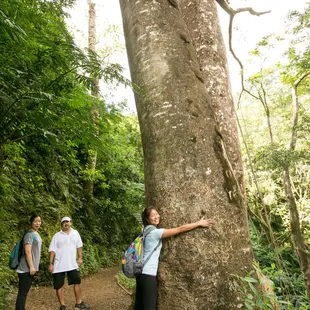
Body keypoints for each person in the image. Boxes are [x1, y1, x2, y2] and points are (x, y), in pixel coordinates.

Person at [134, 208, 214, 310]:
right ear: (147, 219)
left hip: (140, 274)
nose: (157, 216)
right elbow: (180, 229)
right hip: (148, 275)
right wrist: (199, 223)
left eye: (157, 214)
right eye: (153, 215)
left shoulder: (145, 231)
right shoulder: (155, 233)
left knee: (139, 306)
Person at [48, 216, 89, 310]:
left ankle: (78, 304)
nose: (66, 223)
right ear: (62, 224)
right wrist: (51, 263)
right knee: (58, 285)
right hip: (58, 265)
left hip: (72, 264)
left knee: (77, 282)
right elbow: (52, 250)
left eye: (68, 221)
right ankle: (62, 305)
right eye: (64, 222)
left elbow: (79, 246)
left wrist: (80, 258)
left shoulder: (75, 233)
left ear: (71, 223)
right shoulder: (57, 235)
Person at [15, 214, 42, 310]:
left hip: (30, 268)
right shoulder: (29, 234)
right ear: (31, 222)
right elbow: (27, 251)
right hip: (25, 268)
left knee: (24, 293)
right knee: (22, 293)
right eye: (35, 221)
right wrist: (31, 266)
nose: (37, 223)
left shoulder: (36, 234)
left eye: (39, 221)